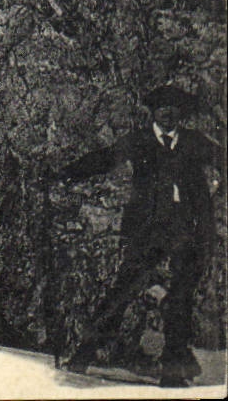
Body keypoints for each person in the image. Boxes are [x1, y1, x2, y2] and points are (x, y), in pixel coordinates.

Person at [55, 85, 220, 387]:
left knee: (181, 298)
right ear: (153, 112)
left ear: (181, 112)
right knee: (124, 289)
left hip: (187, 229)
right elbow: (105, 158)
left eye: (174, 107)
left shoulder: (194, 142)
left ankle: (172, 373)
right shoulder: (140, 140)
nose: (168, 113)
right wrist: (64, 174)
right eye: (162, 107)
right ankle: (83, 355)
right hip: (148, 229)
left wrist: (214, 198)